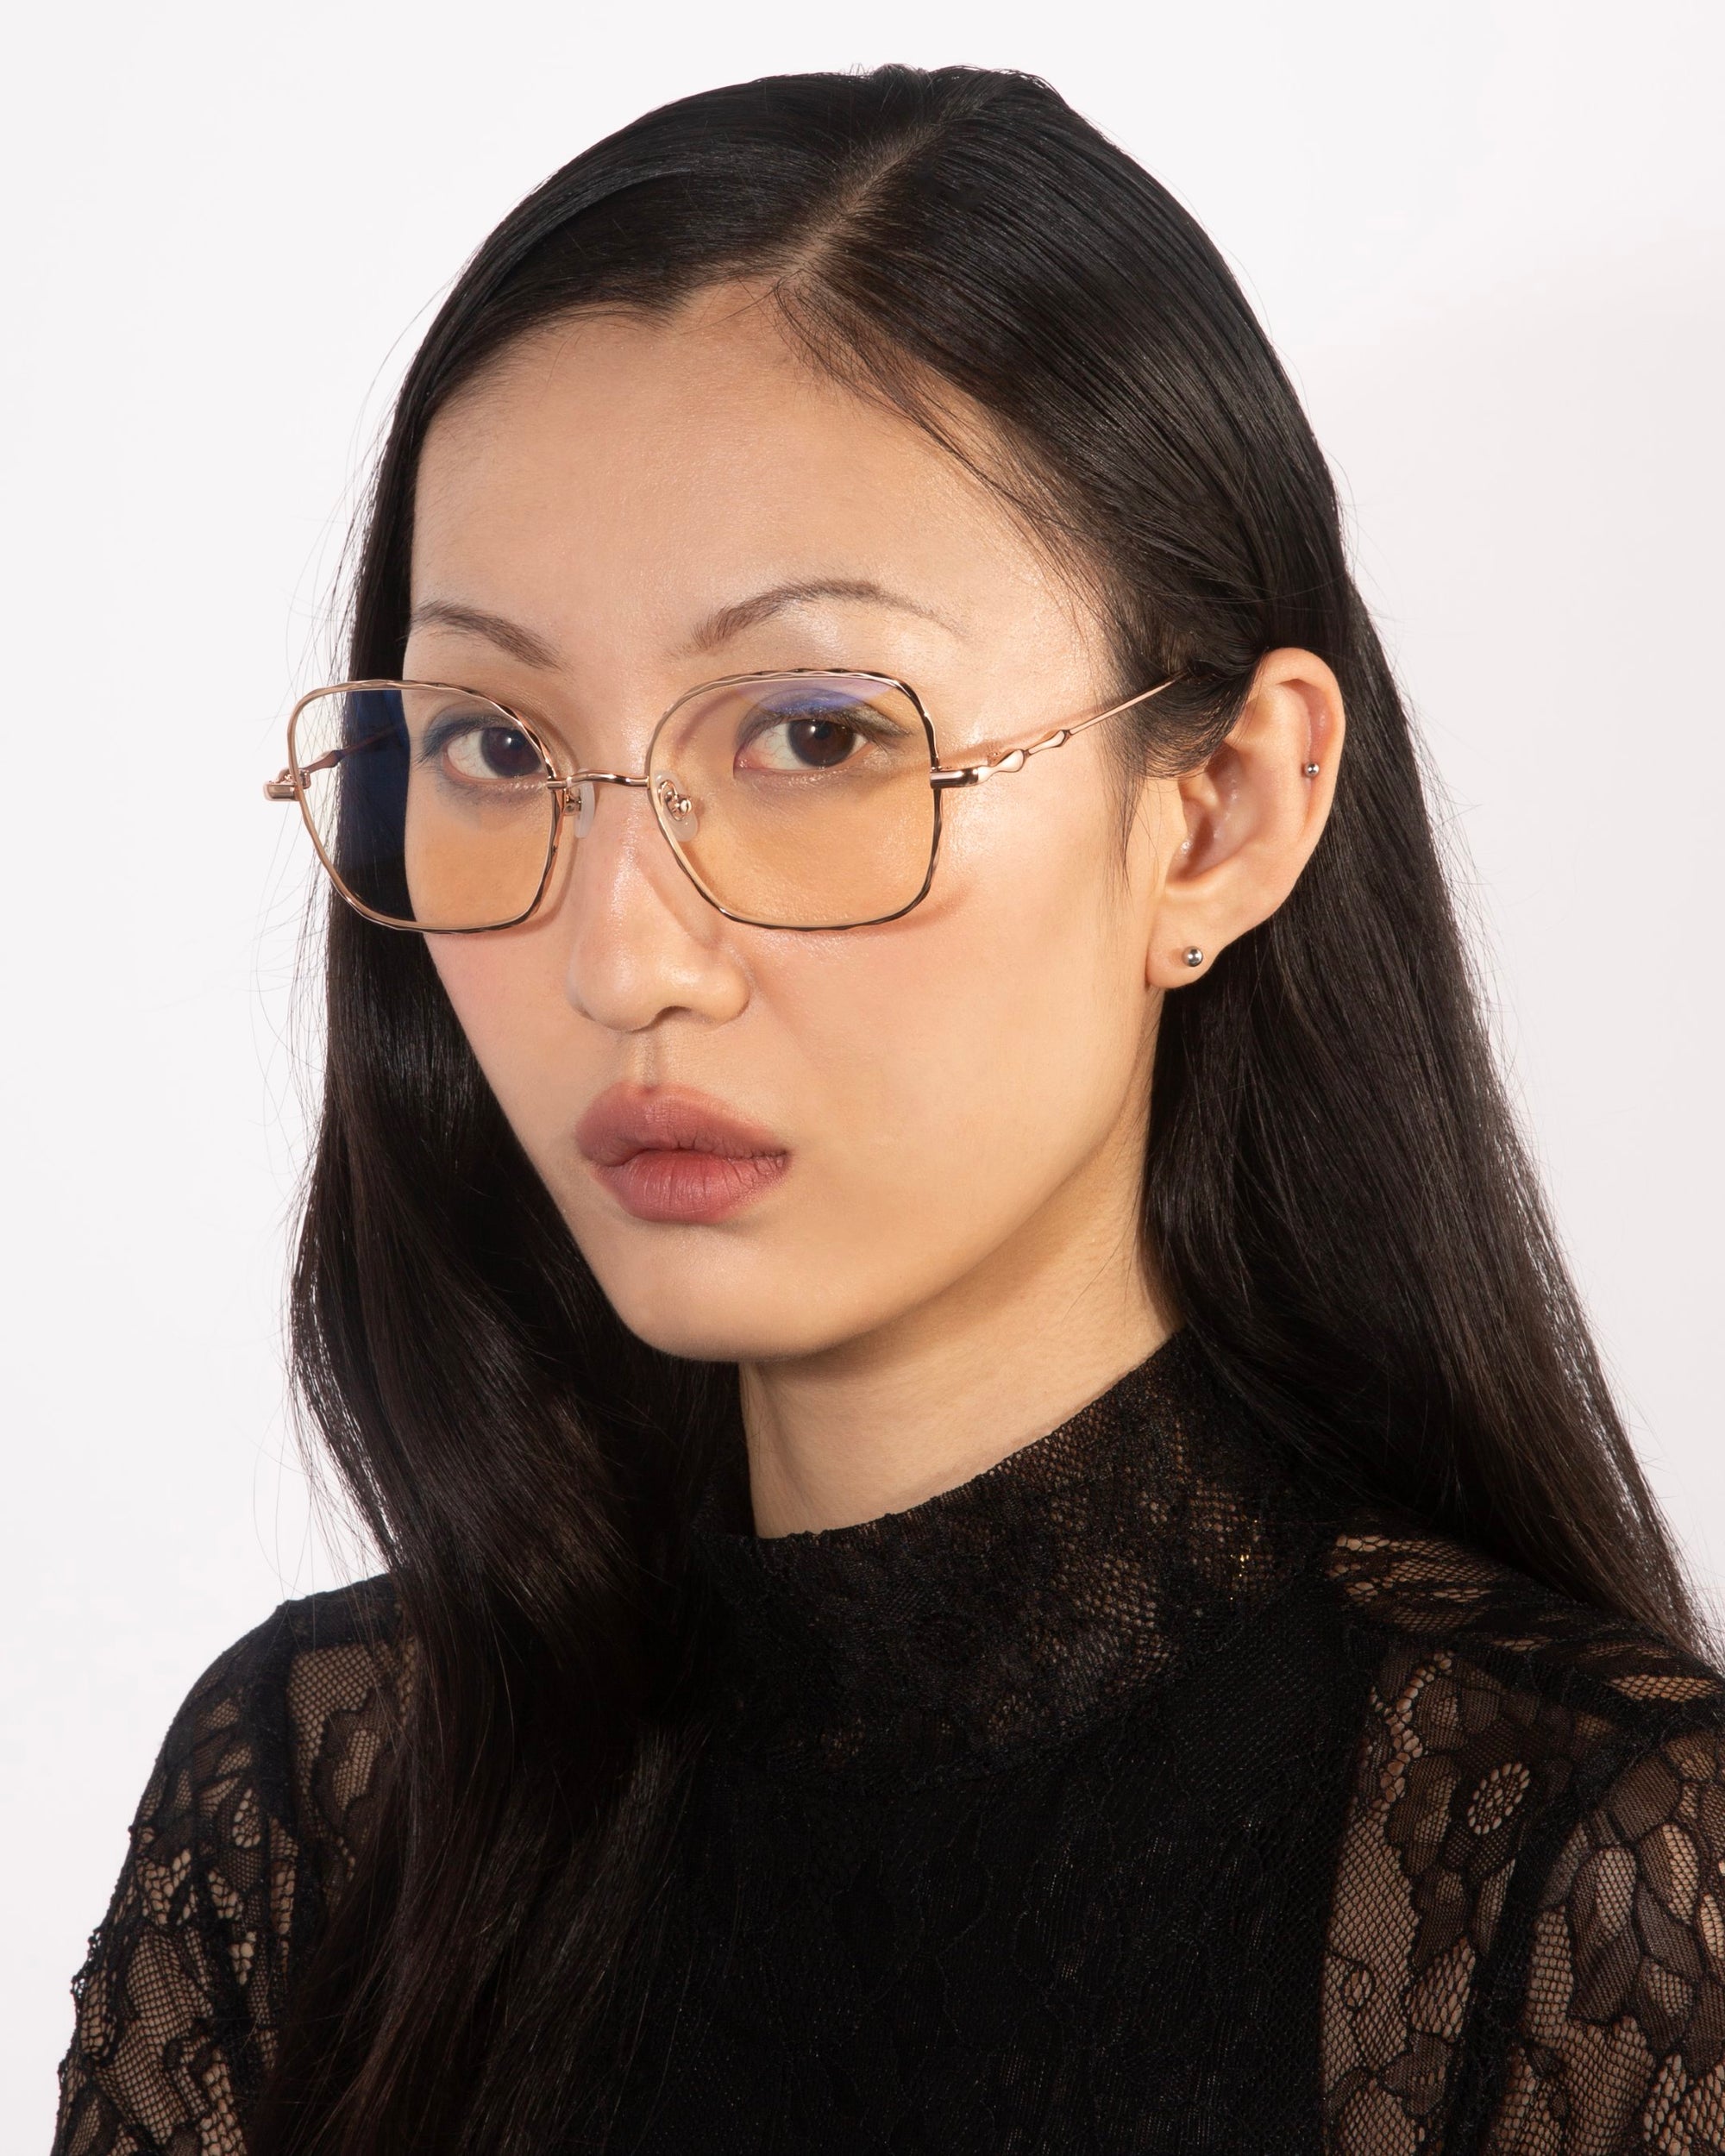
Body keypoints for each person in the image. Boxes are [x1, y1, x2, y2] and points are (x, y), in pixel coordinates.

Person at [53, 64, 1725, 2156]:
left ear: (1219, 810)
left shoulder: (1576, 1880)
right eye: (493, 742)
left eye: (817, 734)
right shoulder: (319, 1817)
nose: (620, 957)